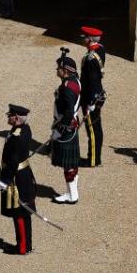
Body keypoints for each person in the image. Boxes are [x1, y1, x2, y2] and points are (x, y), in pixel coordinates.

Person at [0, 105, 36, 255]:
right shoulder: (24, 129)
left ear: (17, 118)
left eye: (11, 115)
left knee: (19, 213)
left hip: (16, 178)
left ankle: (23, 247)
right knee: (23, 213)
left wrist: (5, 180)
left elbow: (13, 161)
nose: (8, 117)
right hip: (22, 174)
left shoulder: (17, 137)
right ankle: (26, 244)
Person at [52, 51, 82, 204]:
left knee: (68, 165)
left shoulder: (67, 88)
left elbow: (69, 111)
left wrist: (60, 128)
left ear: (66, 71)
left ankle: (72, 195)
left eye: (59, 68)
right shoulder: (75, 81)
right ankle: (73, 192)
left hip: (66, 128)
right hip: (72, 126)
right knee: (72, 164)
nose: (56, 70)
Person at [79, 26, 106, 167]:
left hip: (91, 97)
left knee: (93, 130)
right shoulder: (100, 49)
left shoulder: (90, 59)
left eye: (84, 37)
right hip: (97, 94)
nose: (82, 39)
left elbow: (93, 81)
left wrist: (91, 101)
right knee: (96, 127)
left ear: (89, 39)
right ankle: (95, 158)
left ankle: (93, 160)